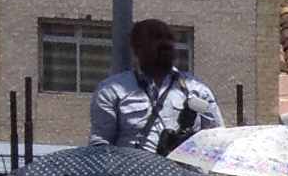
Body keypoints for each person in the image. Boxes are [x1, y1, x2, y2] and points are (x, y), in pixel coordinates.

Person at [84, 15, 220, 150]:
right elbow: (100, 146)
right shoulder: (112, 90)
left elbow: (217, 140)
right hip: (134, 170)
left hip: (184, 170)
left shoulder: (197, 90)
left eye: (170, 39)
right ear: (137, 48)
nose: (166, 43)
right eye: (156, 38)